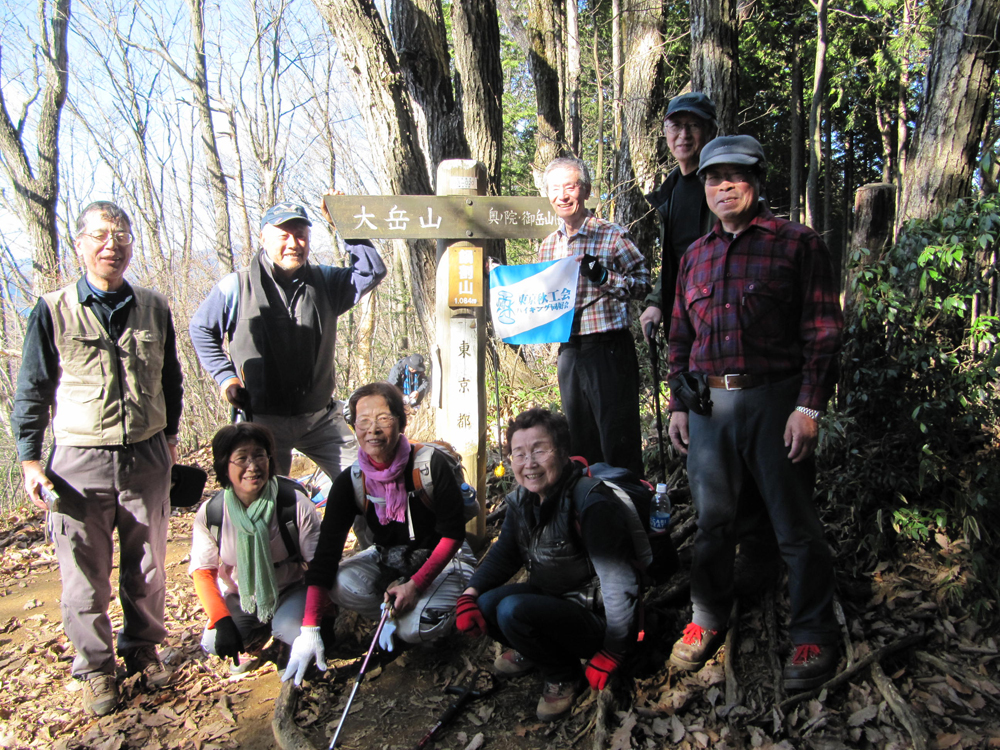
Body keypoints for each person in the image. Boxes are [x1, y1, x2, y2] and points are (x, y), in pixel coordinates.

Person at [665, 135, 844, 691]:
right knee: (713, 522)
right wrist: (678, 403)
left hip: (776, 400)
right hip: (709, 408)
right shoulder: (695, 255)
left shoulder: (797, 243)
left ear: (757, 180)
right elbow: (680, 337)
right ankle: (706, 617)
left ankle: (813, 632)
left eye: (734, 177)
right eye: (712, 179)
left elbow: (823, 331)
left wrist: (809, 406)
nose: (722, 187)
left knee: (794, 522)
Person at [11, 201, 183, 716]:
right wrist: (29, 459)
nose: (113, 244)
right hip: (78, 462)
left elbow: (170, 379)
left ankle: (143, 650)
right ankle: (95, 669)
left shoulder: (153, 306)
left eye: (122, 234)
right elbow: (33, 388)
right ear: (80, 244)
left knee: (148, 566)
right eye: (102, 235)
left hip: (146, 455)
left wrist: (171, 436)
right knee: (84, 577)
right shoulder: (53, 309)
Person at [454, 408, 642, 722]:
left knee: (511, 610)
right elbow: (504, 554)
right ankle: (536, 649)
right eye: (519, 453)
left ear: (564, 452)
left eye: (540, 450)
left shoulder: (590, 502)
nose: (529, 463)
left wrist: (613, 649)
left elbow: (619, 582)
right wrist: (468, 595)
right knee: (485, 604)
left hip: (594, 616)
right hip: (553, 600)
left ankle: (563, 674)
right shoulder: (523, 500)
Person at [281, 382, 476, 685]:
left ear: (401, 421)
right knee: (338, 581)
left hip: (446, 558)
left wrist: (414, 586)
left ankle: (423, 620)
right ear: (354, 427)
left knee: (416, 628)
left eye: (383, 418)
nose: (372, 429)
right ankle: (397, 614)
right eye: (363, 421)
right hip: (390, 559)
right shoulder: (352, 481)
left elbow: (452, 536)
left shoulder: (428, 465)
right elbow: (326, 556)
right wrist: (310, 629)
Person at [189, 200, 387, 484]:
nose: (294, 244)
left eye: (301, 236)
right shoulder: (237, 286)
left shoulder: (325, 282)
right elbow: (201, 329)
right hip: (262, 419)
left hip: (320, 417)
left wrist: (344, 222)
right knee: (265, 497)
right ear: (263, 238)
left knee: (366, 483)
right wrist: (226, 377)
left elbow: (371, 271)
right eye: (284, 236)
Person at [539, 157, 650, 477]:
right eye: (555, 189)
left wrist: (602, 275)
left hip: (608, 349)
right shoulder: (548, 246)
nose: (562, 196)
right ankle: (589, 504)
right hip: (569, 351)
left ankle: (628, 503)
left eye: (570, 187)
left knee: (619, 438)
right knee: (579, 440)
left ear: (585, 191)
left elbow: (643, 284)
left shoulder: (612, 235)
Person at [190, 423, 322, 670]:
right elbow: (203, 572)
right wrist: (222, 621)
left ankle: (284, 637)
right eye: (242, 458)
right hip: (242, 595)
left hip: (292, 588)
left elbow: (319, 567)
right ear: (224, 465)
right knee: (213, 642)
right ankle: (257, 636)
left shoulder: (293, 504)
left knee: (291, 630)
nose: (253, 467)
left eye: (260, 456)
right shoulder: (212, 514)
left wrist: (318, 619)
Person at [637, 92, 718, 342]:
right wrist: (656, 303)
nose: (684, 135)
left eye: (693, 125)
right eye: (676, 126)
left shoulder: (724, 188)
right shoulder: (668, 193)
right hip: (680, 319)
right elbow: (675, 261)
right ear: (666, 132)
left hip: (719, 317)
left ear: (711, 131)